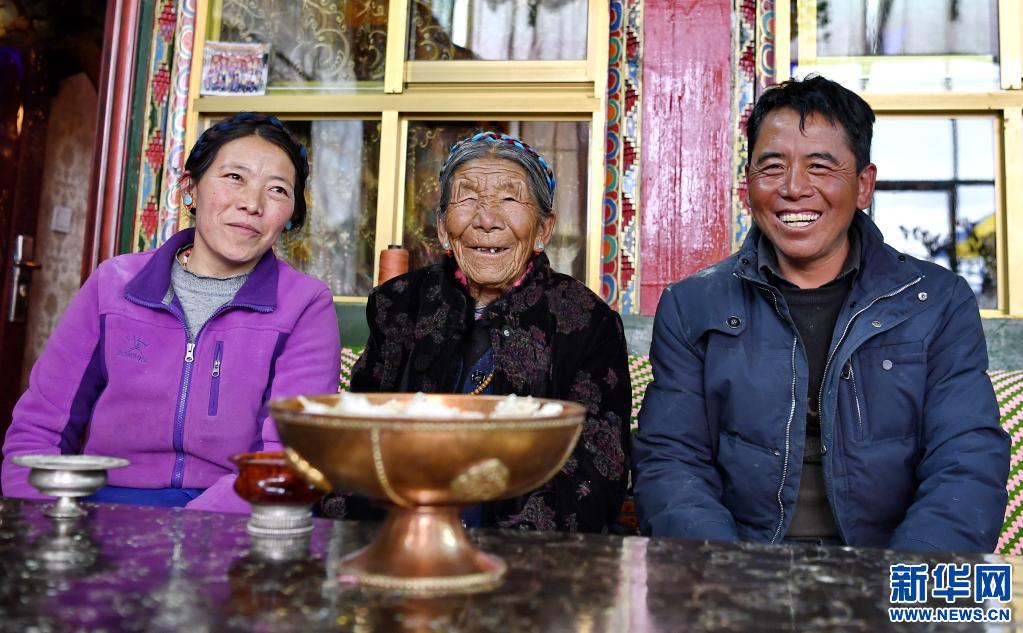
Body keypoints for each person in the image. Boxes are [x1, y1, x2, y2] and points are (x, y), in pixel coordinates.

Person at [632, 75, 1009, 552]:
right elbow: (671, 462)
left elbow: (967, 461)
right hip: (739, 568)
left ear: (864, 185)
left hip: (889, 568)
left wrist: (899, 585)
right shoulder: (693, 306)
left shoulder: (936, 302)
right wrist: (727, 577)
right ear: (747, 184)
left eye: (820, 167)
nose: (794, 188)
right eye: (772, 167)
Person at [2, 112, 341, 513]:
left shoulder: (305, 305)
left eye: (278, 190)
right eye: (234, 177)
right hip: (101, 514)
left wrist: (184, 533)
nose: (252, 204)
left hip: (234, 522)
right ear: (190, 189)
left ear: (290, 217)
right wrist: (43, 525)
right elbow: (39, 432)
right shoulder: (114, 285)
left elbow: (292, 459)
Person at [323, 131, 631, 532]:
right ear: (442, 227)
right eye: (467, 198)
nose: (486, 220)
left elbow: (597, 470)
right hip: (403, 536)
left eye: (509, 199)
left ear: (543, 229)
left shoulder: (587, 322)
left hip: (528, 555)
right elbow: (357, 437)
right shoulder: (398, 305)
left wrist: (505, 549)